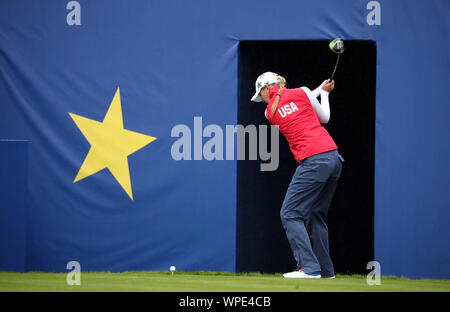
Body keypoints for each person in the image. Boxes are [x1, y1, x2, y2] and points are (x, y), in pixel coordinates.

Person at [251, 72, 344, 279]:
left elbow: (293, 102)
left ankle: (309, 268)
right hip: (333, 157)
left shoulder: (270, 112)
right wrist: (325, 94)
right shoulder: (302, 91)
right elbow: (324, 117)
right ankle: (326, 271)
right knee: (315, 214)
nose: (262, 99)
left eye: (261, 94)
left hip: (313, 161)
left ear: (267, 88)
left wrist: (320, 90)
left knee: (290, 213)